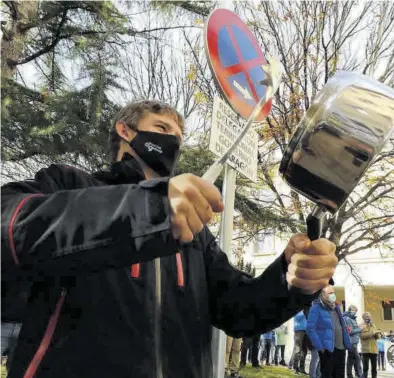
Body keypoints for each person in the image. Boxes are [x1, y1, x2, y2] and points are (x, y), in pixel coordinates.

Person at [1, 100, 338, 378]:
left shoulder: (195, 234)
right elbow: (10, 222)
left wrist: (291, 280)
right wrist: (149, 208)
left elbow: (239, 311)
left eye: (179, 134)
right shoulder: (70, 184)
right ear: (125, 130)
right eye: (162, 129)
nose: (173, 140)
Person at [306, 285, 352, 378]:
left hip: (341, 348)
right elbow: (310, 329)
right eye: (330, 293)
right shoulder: (315, 308)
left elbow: (340, 324)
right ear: (322, 294)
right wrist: (320, 347)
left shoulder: (337, 307)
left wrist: (345, 333)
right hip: (327, 349)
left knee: (340, 375)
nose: (333, 295)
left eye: (333, 292)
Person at [343, 305, 363, 378]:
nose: (355, 312)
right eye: (354, 310)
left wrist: (359, 328)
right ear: (350, 310)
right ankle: (359, 374)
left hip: (354, 342)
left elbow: (354, 329)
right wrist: (360, 329)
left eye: (356, 311)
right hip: (351, 342)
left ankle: (350, 374)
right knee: (357, 358)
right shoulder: (347, 319)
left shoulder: (352, 319)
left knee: (351, 359)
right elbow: (350, 331)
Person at [360, 313, 379, 378]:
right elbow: (362, 336)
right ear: (364, 318)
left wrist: (378, 334)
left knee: (374, 369)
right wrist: (372, 333)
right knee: (365, 368)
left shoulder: (373, 325)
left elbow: (377, 337)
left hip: (374, 350)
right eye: (367, 316)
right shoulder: (361, 325)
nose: (369, 317)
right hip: (366, 350)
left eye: (369, 316)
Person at [291, 310, 309, 374]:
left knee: (304, 351)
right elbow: (297, 318)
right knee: (298, 350)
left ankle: (302, 368)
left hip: (306, 331)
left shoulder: (307, 309)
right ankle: (295, 368)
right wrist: (304, 312)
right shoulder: (298, 310)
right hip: (298, 330)